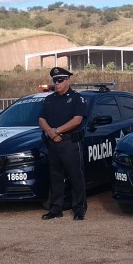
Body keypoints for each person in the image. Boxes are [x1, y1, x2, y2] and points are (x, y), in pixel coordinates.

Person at [38, 67, 87, 221]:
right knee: (55, 177)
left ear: (67, 81)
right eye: (55, 81)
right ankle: (56, 209)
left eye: (60, 80)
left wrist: (57, 131)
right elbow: (41, 119)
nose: (57, 84)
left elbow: (77, 120)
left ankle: (79, 209)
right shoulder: (49, 99)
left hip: (69, 142)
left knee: (75, 177)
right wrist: (51, 133)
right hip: (54, 142)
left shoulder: (76, 98)